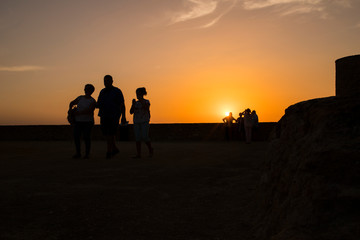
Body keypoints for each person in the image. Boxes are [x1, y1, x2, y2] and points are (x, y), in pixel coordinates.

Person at [97, 75, 127, 159]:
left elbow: (122, 104)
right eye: (105, 81)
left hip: (114, 115)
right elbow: (98, 103)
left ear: (112, 81)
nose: (106, 82)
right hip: (103, 114)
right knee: (107, 133)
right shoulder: (102, 91)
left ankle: (109, 152)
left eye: (108, 81)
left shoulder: (117, 91)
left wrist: (123, 116)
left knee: (110, 133)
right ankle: (114, 148)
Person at [69, 84, 96, 159]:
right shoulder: (80, 98)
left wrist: (78, 113)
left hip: (88, 122)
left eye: (87, 89)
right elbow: (71, 103)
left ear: (91, 91)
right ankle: (78, 153)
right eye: (85, 89)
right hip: (78, 121)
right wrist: (70, 111)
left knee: (87, 137)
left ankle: (87, 154)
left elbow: (90, 110)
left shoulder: (93, 101)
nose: (85, 90)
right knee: (76, 137)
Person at [130, 87, 154, 158]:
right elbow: (131, 112)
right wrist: (133, 104)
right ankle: (138, 154)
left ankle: (150, 149)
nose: (137, 95)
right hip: (136, 121)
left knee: (145, 136)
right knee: (137, 138)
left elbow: (146, 108)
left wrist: (141, 101)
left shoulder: (147, 101)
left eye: (138, 93)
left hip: (144, 121)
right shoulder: (136, 103)